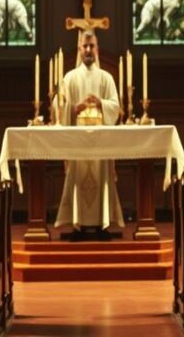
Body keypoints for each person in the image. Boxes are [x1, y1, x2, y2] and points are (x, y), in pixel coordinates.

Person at [54, 30, 124, 234]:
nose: (88, 50)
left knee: (101, 180)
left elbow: (116, 107)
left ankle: (102, 222)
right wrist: (75, 108)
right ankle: (77, 222)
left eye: (91, 46)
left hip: (100, 142)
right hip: (78, 142)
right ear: (78, 50)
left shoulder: (106, 78)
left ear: (97, 49)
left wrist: (100, 103)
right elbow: (58, 108)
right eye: (84, 46)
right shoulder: (70, 78)